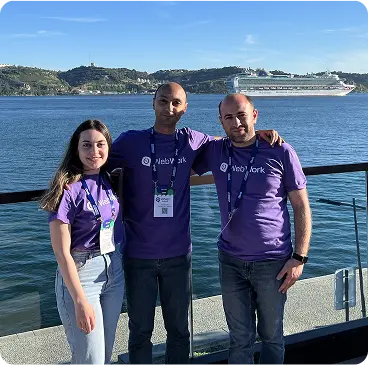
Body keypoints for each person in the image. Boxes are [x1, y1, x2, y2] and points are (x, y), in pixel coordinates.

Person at [108, 83, 282, 365]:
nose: (169, 108)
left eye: (176, 103)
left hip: (178, 255)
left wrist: (259, 136)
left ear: (185, 108)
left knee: (178, 331)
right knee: (140, 330)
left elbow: (230, 140)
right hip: (137, 254)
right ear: (153, 103)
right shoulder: (130, 141)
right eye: (163, 101)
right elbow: (94, 160)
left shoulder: (192, 140)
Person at [192, 93, 312, 365]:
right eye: (229, 118)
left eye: (242, 115)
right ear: (221, 122)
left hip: (273, 262)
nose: (236, 123)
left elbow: (302, 206)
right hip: (230, 261)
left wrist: (299, 257)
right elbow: (178, 164)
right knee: (239, 338)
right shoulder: (215, 150)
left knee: (271, 336)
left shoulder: (280, 151)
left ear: (254, 115)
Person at [40, 119, 125, 365]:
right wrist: (79, 300)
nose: (94, 152)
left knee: (104, 354)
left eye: (100, 144)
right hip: (82, 274)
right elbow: (61, 252)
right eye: (86, 145)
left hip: (113, 269)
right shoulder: (66, 189)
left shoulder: (108, 179)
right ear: (76, 149)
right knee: (91, 359)